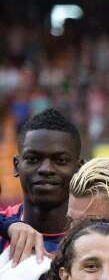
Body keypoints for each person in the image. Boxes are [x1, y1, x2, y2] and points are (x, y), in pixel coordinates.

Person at [1, 108, 83, 260]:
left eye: (60, 160)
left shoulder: (97, 238)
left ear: (79, 169)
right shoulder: (3, 230)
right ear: (16, 165)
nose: (46, 169)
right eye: (33, 159)